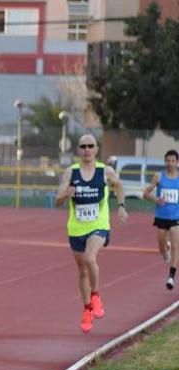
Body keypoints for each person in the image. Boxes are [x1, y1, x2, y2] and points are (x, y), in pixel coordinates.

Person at [54, 134, 127, 332]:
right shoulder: (71, 173)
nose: (87, 149)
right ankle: (87, 308)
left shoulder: (105, 171)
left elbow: (119, 185)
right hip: (76, 229)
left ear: (96, 149)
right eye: (83, 146)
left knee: (89, 257)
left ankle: (95, 295)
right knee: (83, 270)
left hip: (99, 225)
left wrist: (121, 206)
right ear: (79, 150)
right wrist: (65, 194)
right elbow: (57, 201)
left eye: (90, 146)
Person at [142, 149, 179, 289]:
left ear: (177, 162)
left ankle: (171, 277)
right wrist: (156, 199)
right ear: (165, 162)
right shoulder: (158, 176)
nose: (170, 163)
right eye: (168, 161)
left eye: (173, 161)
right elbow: (145, 194)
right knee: (161, 247)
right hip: (161, 216)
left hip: (176, 216)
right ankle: (165, 250)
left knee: (176, 246)